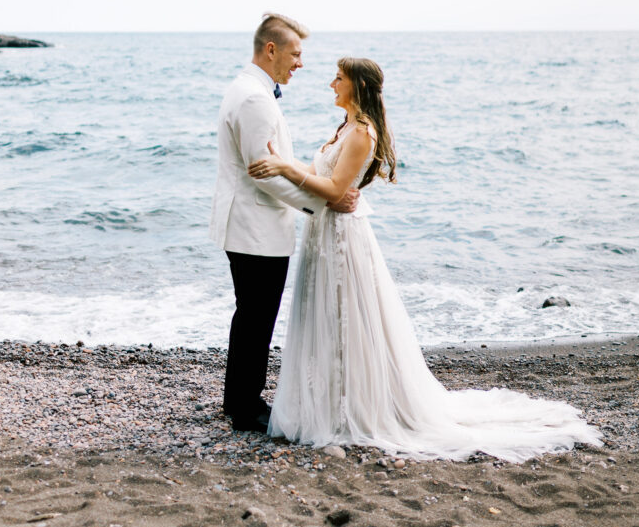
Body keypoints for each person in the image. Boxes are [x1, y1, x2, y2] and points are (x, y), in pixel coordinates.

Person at [247, 57, 602, 461]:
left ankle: (352, 410)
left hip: (343, 240)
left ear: (357, 87)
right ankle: (327, 403)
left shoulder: (362, 132)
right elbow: (317, 172)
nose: (331, 83)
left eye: (339, 78)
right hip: (324, 235)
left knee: (345, 321)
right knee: (325, 319)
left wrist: (282, 168)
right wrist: (285, 164)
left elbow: (332, 190)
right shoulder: (345, 127)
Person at [209, 14, 358, 434]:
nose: (300, 64)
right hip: (256, 227)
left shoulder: (248, 89)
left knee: (251, 316)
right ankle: (245, 406)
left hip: (247, 224)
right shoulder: (255, 98)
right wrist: (324, 202)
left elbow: (275, 166)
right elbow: (266, 174)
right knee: (257, 318)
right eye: (296, 54)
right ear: (270, 49)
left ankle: (235, 397)